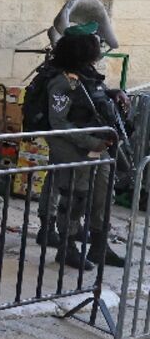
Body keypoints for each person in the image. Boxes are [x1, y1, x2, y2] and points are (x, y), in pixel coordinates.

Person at [43, 21, 127, 271]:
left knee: (103, 194)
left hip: (98, 148)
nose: (99, 45)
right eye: (94, 42)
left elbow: (92, 100)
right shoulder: (63, 82)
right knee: (75, 197)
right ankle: (67, 247)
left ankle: (100, 245)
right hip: (75, 150)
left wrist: (114, 93)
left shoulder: (87, 75)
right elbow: (58, 123)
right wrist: (92, 142)